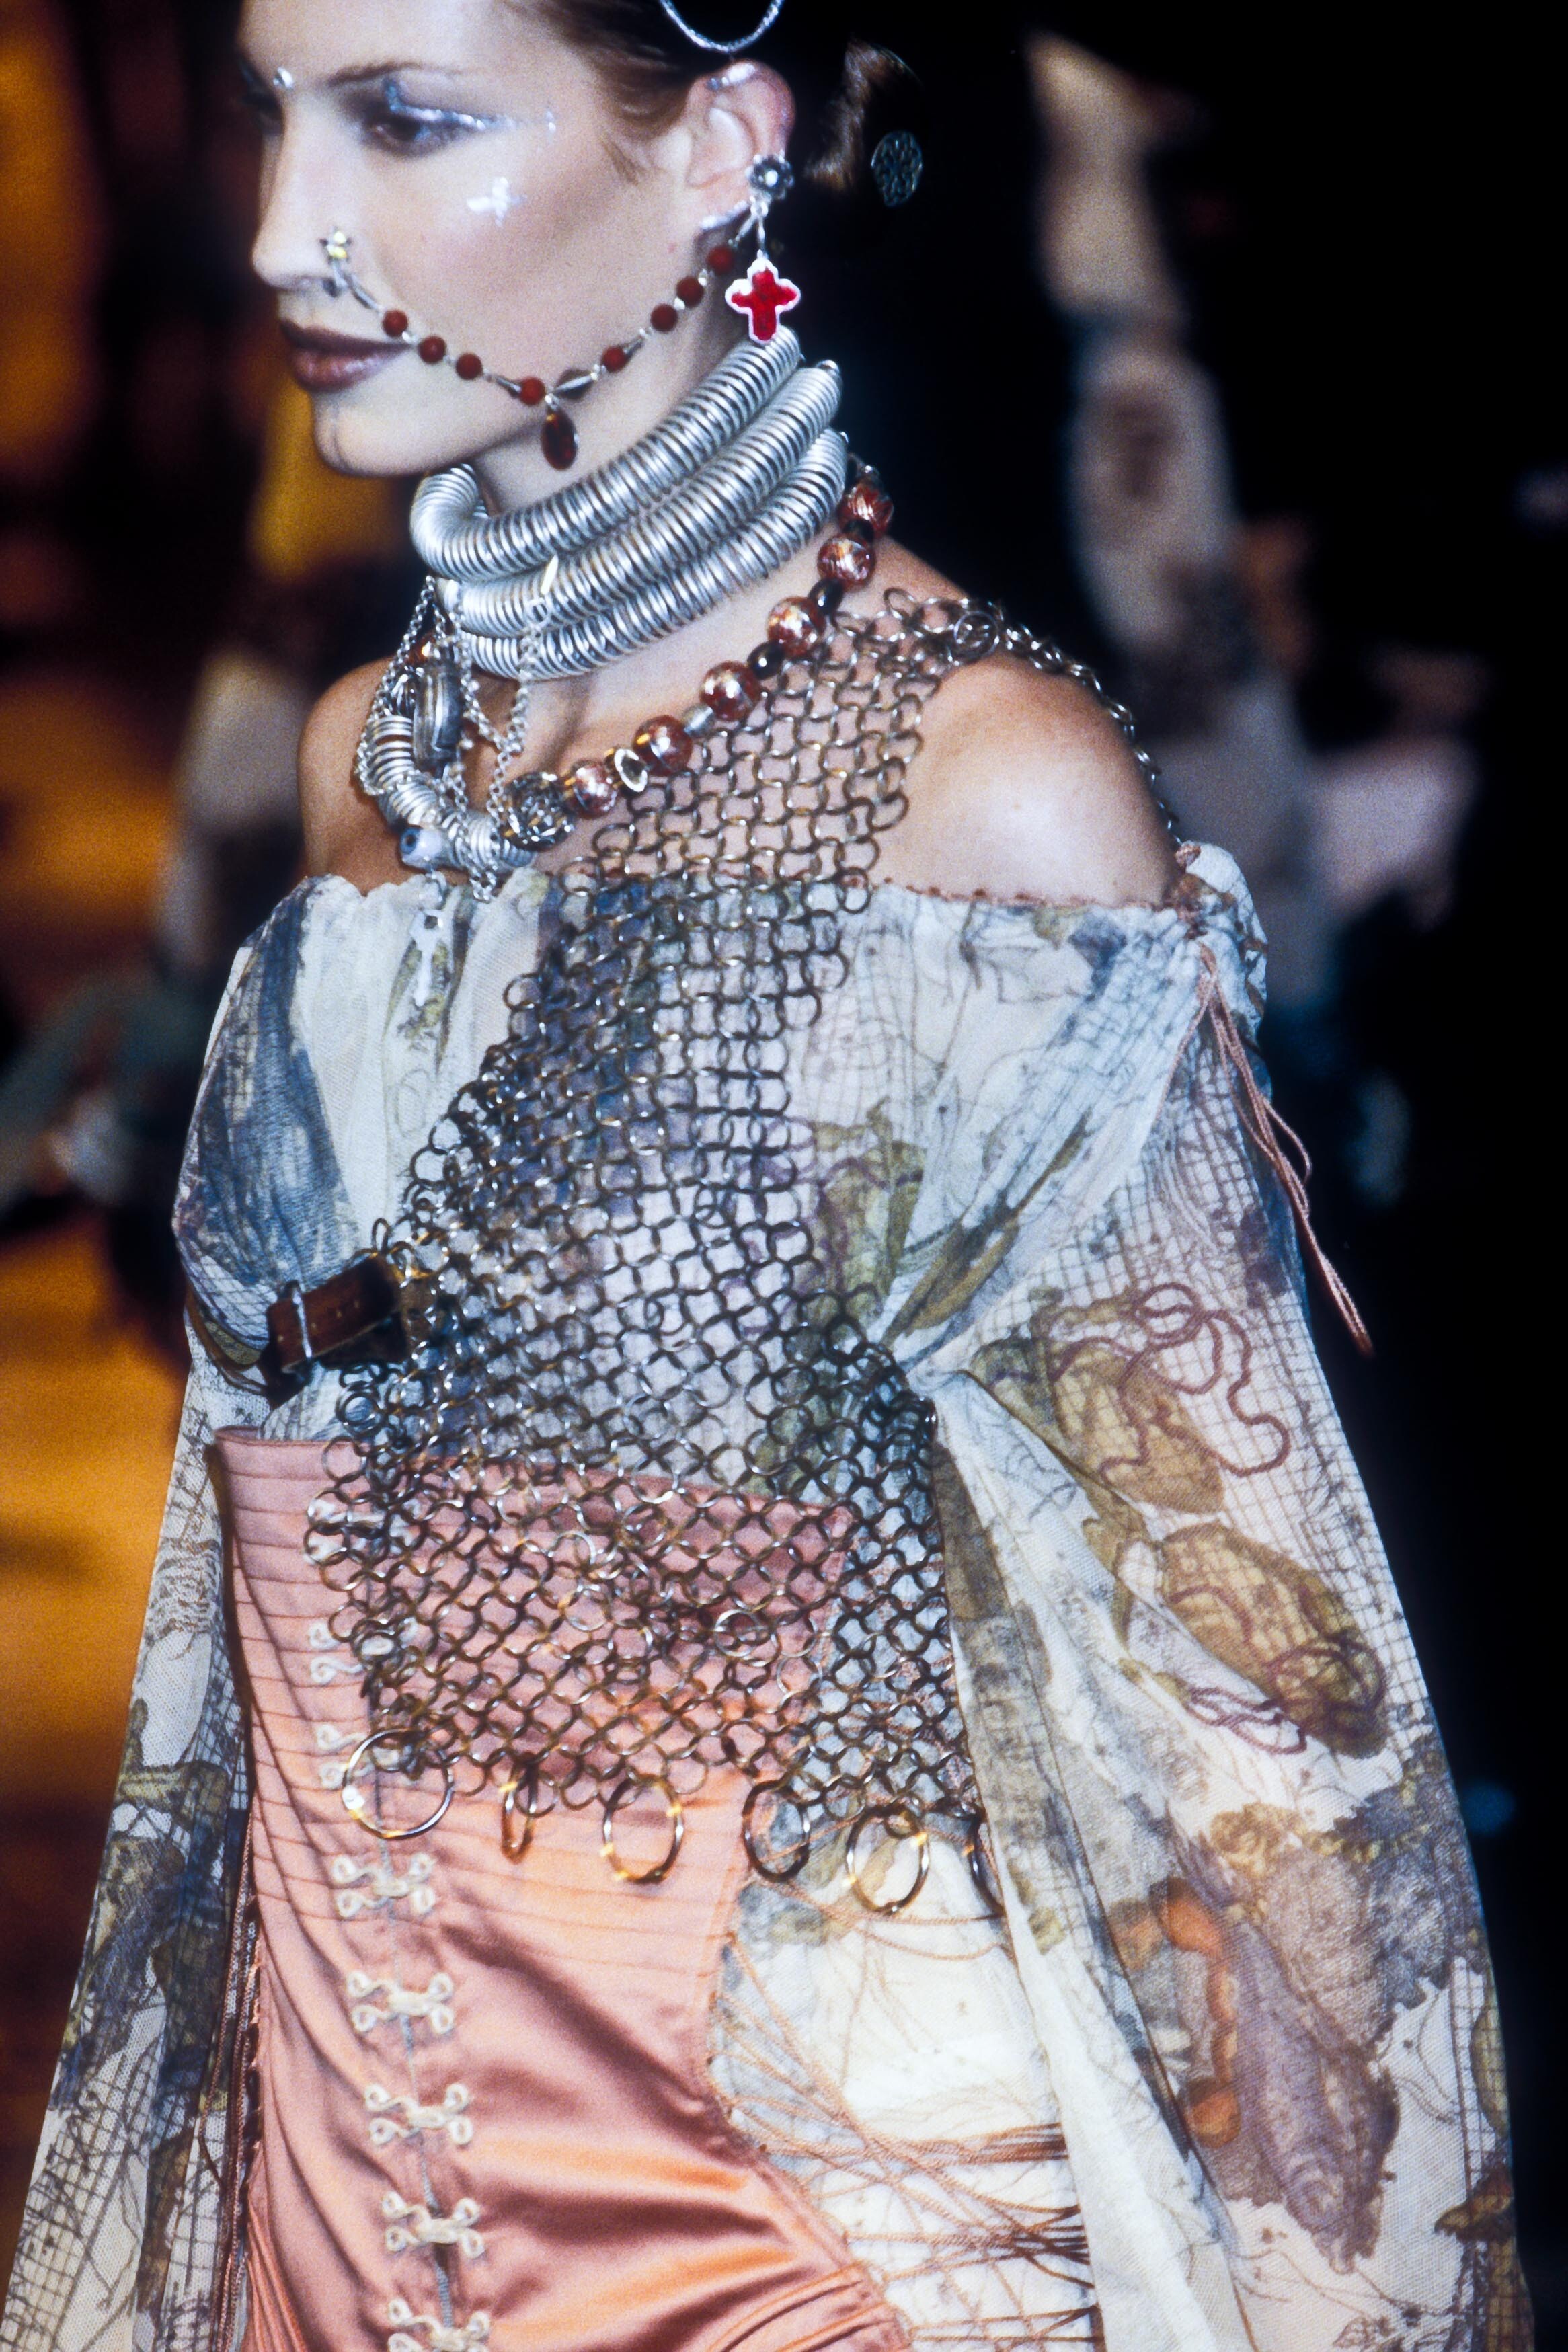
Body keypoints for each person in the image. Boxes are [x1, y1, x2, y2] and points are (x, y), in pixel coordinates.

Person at [1, 2, 1528, 2348]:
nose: (286, 231)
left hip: (793, 2267)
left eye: (403, 122)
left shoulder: (979, 809)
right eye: (267, 118)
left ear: (723, 143)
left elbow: (1261, 1804)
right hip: (328, 2238)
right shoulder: (363, 779)